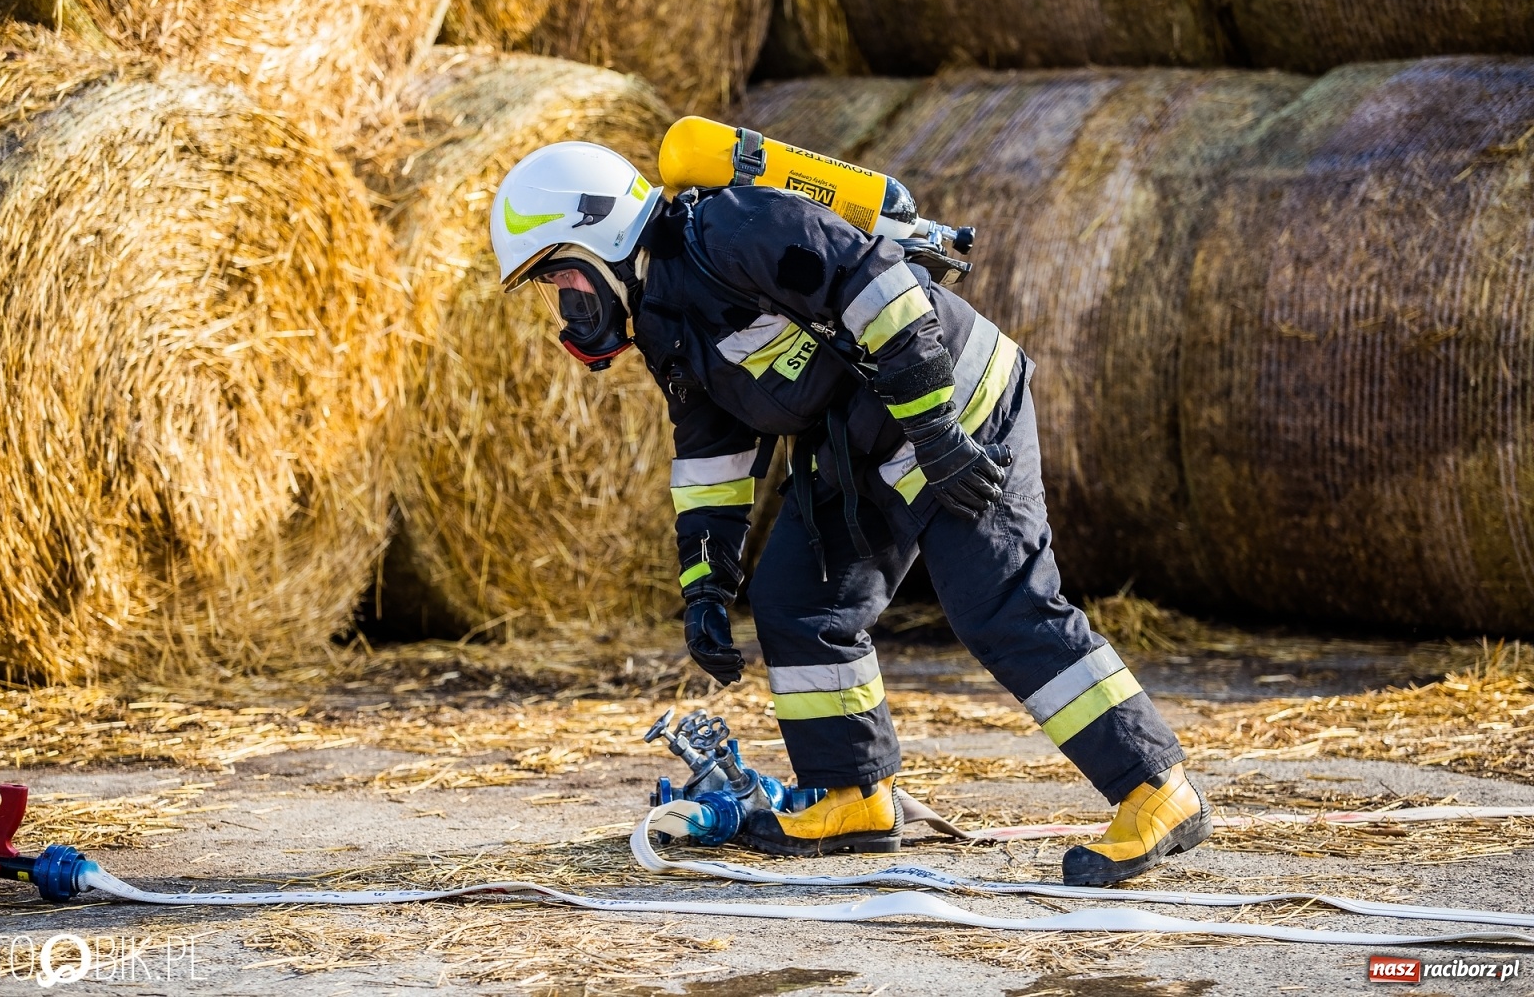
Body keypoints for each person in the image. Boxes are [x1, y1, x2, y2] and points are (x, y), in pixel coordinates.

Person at [488, 140, 1212, 886]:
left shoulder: (732, 229)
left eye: (564, 280)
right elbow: (712, 448)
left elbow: (882, 290)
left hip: (955, 408)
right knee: (798, 601)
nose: (570, 310)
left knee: (1000, 605)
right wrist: (704, 584)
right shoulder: (668, 321)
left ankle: (1155, 787)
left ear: (601, 233)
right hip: (861, 442)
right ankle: (855, 794)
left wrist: (939, 433)